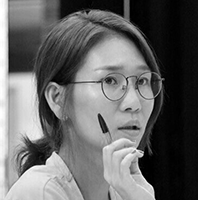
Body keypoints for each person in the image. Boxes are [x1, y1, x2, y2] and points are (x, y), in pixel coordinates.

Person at [6, 9, 164, 200]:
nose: (134, 102)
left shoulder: (126, 192)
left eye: (142, 81)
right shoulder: (39, 192)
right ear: (57, 99)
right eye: (110, 81)